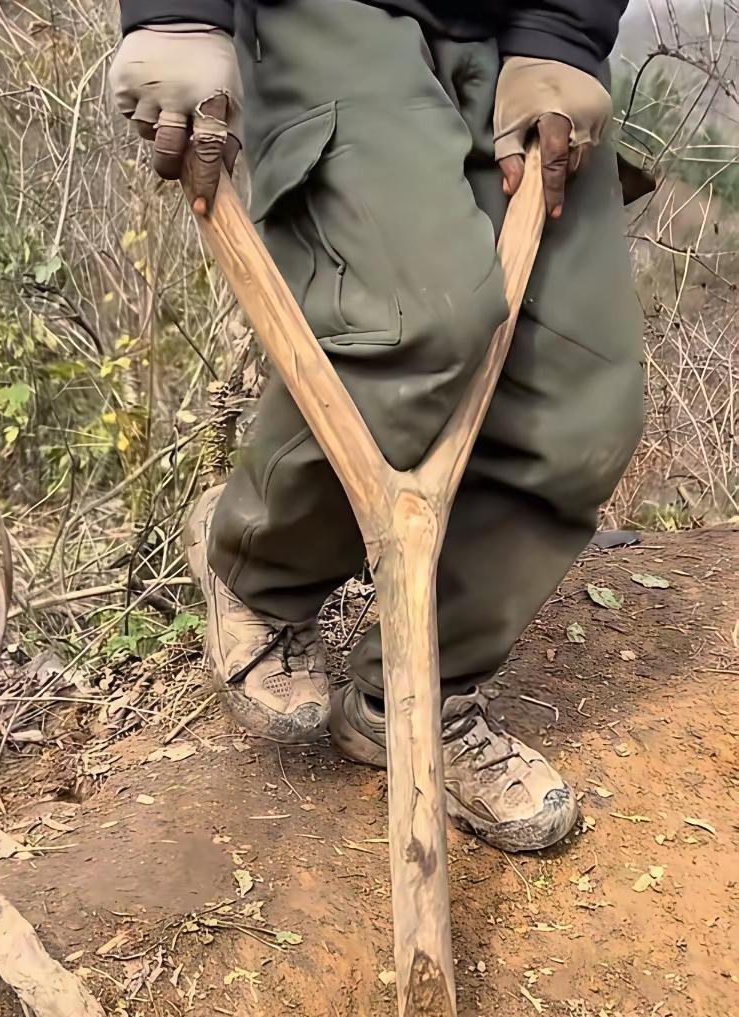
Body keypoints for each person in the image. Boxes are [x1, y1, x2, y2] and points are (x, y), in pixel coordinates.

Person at [109, 0, 645, 854]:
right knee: (420, 318)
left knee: (585, 405)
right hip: (332, 12)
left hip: (514, 26)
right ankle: (259, 564)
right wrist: (176, 15)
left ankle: (413, 696)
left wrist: (563, 37)